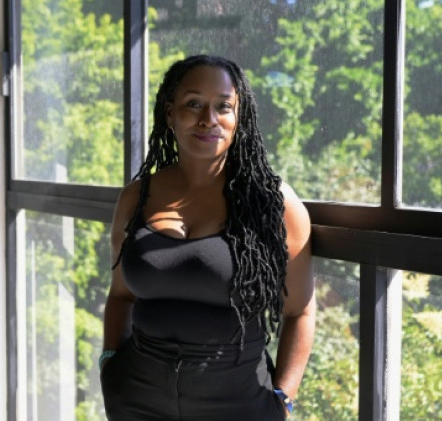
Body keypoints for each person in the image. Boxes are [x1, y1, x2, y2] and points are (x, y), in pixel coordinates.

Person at [99, 55, 315, 420]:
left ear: (239, 117)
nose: (208, 119)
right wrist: (109, 364)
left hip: (240, 405)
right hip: (136, 398)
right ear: (170, 113)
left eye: (223, 106)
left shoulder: (272, 204)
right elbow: (121, 294)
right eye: (194, 104)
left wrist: (284, 398)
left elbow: (300, 310)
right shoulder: (136, 197)